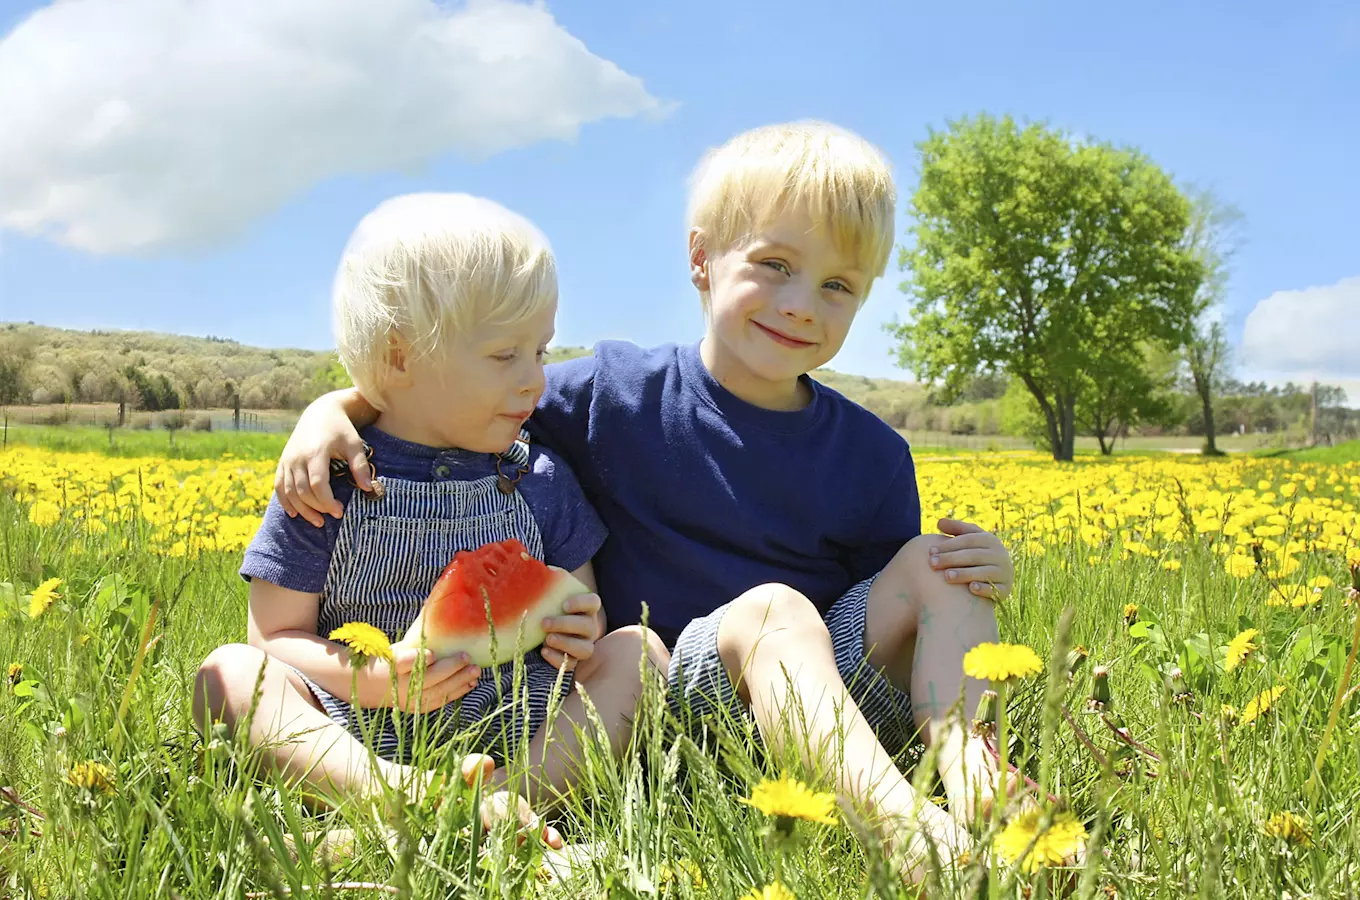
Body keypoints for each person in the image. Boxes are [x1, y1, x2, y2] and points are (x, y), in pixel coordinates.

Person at [273, 123, 1016, 879]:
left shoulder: (874, 454)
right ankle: (904, 834)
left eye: (837, 285)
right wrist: (337, 409)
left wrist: (972, 574)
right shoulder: (610, 393)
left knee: (940, 563)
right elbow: (446, 397)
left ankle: (979, 782)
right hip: (671, 699)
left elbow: (888, 606)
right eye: (775, 265)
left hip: (817, 704)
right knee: (773, 609)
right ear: (701, 259)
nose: (801, 305)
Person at [192, 193, 666, 846]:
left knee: (638, 653)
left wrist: (581, 625)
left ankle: (507, 802)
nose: (536, 381)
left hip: (517, 722)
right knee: (228, 677)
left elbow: (580, 600)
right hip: (356, 724)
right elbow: (272, 639)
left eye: (541, 351)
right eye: (506, 355)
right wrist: (375, 678)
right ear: (400, 357)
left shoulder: (540, 476)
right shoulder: (327, 478)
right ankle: (402, 798)